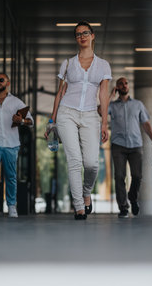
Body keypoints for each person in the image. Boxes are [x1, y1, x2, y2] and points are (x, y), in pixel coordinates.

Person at [45, 21, 111, 220]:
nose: (82, 36)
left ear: (93, 36)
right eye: (78, 34)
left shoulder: (103, 65)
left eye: (85, 33)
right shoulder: (67, 63)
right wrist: (51, 120)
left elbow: (104, 96)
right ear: (76, 39)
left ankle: (86, 192)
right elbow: (60, 93)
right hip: (67, 113)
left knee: (91, 164)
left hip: (91, 115)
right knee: (74, 161)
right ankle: (79, 207)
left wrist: (105, 123)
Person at [0, 73, 34, 218]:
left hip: (11, 144)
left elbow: (31, 121)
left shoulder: (16, 102)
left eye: (1, 80)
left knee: (10, 176)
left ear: (7, 83)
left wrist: (21, 120)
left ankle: (11, 205)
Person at [108, 77, 152, 218]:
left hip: (136, 145)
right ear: (117, 87)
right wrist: (110, 96)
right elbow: (100, 111)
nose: (124, 85)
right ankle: (123, 208)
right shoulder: (112, 106)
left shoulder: (138, 105)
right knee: (119, 177)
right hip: (118, 146)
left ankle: (133, 197)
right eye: (121, 84)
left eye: (126, 83)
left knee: (137, 176)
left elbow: (146, 124)